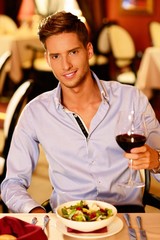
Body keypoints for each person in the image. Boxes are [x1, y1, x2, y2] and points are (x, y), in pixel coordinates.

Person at [1, 11, 160, 213]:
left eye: (73, 52)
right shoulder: (35, 112)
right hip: (68, 221)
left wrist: (156, 161)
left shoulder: (132, 100)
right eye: (56, 56)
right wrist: (36, 213)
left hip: (126, 218)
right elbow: (11, 183)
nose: (65, 65)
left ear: (89, 50)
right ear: (47, 59)